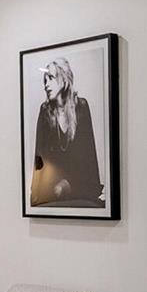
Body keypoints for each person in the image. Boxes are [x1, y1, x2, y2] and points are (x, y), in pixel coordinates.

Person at [30, 57, 103, 207]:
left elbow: (89, 157)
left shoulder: (81, 107)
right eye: (45, 80)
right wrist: (37, 194)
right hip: (51, 187)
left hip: (79, 184)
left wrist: (67, 184)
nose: (46, 85)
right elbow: (40, 159)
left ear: (64, 80)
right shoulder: (45, 111)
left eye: (50, 78)